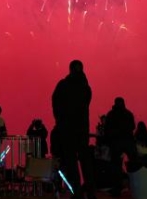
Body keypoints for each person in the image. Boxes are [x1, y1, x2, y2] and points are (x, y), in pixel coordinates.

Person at [52, 59, 94, 199]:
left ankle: (77, 192)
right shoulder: (86, 88)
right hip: (82, 130)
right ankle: (91, 192)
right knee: (85, 162)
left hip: (67, 131)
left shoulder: (63, 85)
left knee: (72, 163)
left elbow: (55, 103)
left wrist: (60, 121)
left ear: (70, 69)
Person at [104, 98, 136, 196]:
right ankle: (136, 187)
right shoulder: (128, 114)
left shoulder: (110, 114)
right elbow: (133, 126)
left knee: (116, 167)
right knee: (134, 164)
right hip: (128, 141)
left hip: (116, 142)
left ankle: (117, 189)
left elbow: (107, 129)